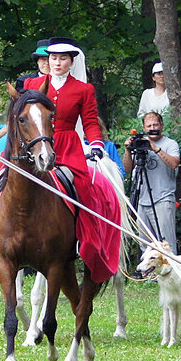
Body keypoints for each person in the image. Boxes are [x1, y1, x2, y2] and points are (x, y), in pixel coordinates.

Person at [22, 37, 122, 282]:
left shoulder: (83, 89)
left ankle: (82, 240)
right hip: (37, 143)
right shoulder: (31, 84)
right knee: (2, 177)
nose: (57, 63)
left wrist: (96, 144)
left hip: (67, 146)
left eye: (63, 58)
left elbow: (89, 122)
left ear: (71, 61)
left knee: (84, 187)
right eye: (53, 58)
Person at [125, 111, 181, 254]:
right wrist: (128, 150)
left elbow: (174, 163)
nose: (152, 128)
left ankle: (172, 274)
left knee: (166, 244)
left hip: (163, 199)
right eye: (149, 125)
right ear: (144, 128)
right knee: (146, 245)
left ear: (162, 125)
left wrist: (154, 148)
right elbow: (127, 168)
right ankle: (149, 275)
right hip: (142, 201)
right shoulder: (139, 143)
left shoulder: (170, 144)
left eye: (155, 124)